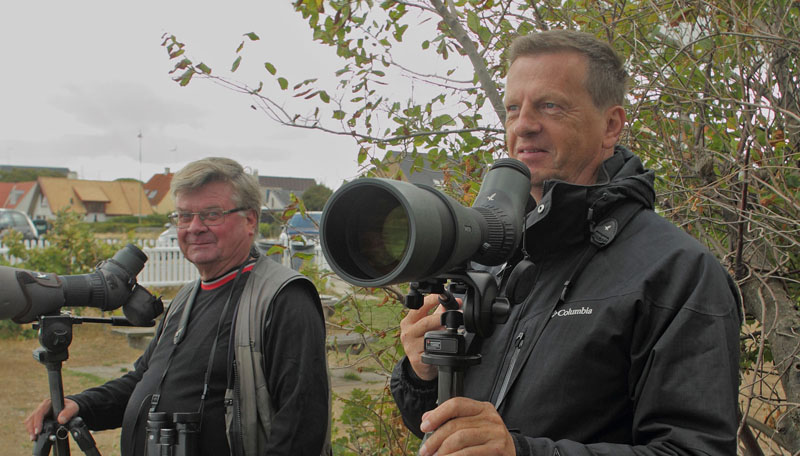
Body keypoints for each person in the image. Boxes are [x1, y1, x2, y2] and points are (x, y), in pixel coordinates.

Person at [390, 30, 742, 455]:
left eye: (550, 106)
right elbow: (441, 430)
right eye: (513, 109)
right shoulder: (493, 258)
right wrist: (422, 376)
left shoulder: (678, 271)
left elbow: (695, 450)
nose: (524, 125)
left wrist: (521, 453)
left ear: (610, 126)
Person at [25, 157, 331, 456]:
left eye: (211, 214)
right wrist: (82, 404)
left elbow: (301, 424)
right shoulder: (186, 298)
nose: (194, 228)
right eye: (184, 216)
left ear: (250, 219)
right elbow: (144, 380)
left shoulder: (282, 298)